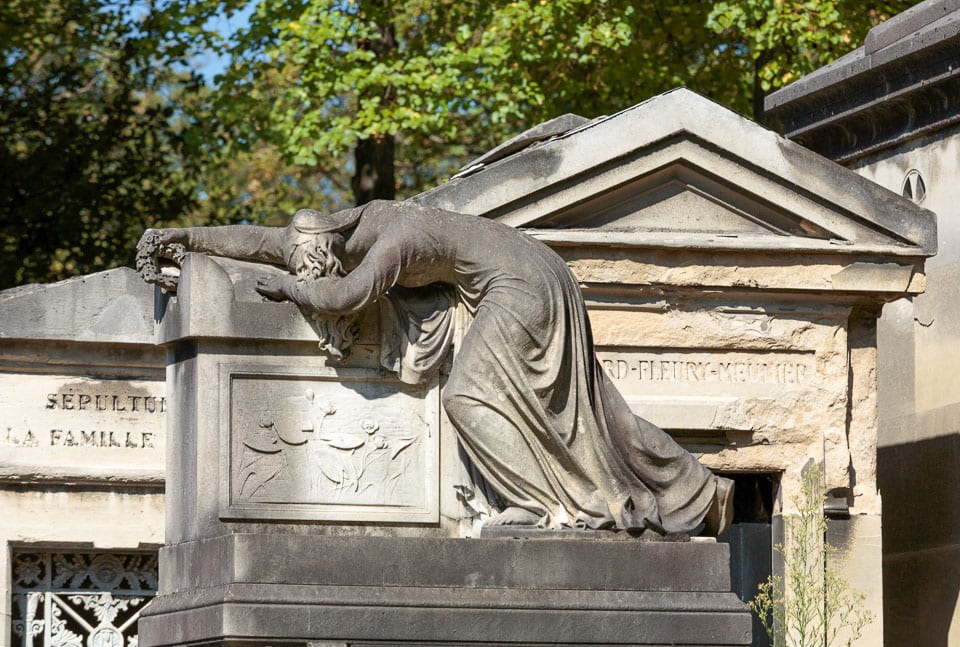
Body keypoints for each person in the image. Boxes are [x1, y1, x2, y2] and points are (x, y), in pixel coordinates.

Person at [140, 199, 732, 535]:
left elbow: (347, 297)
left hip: (522, 286)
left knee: (468, 397)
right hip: (539, 274)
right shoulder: (349, 229)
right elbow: (261, 240)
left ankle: (539, 505)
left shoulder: (398, 238)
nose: (317, 271)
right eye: (310, 267)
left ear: (332, 247)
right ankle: (696, 492)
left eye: (317, 265)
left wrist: (290, 289)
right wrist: (185, 238)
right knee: (591, 414)